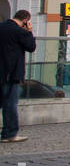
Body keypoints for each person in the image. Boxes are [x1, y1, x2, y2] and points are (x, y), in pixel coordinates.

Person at [0, 9, 36, 143]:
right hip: (12, 73)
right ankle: (9, 134)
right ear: (26, 20)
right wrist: (30, 32)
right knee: (10, 104)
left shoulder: (1, 27)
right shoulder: (20, 32)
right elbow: (31, 47)